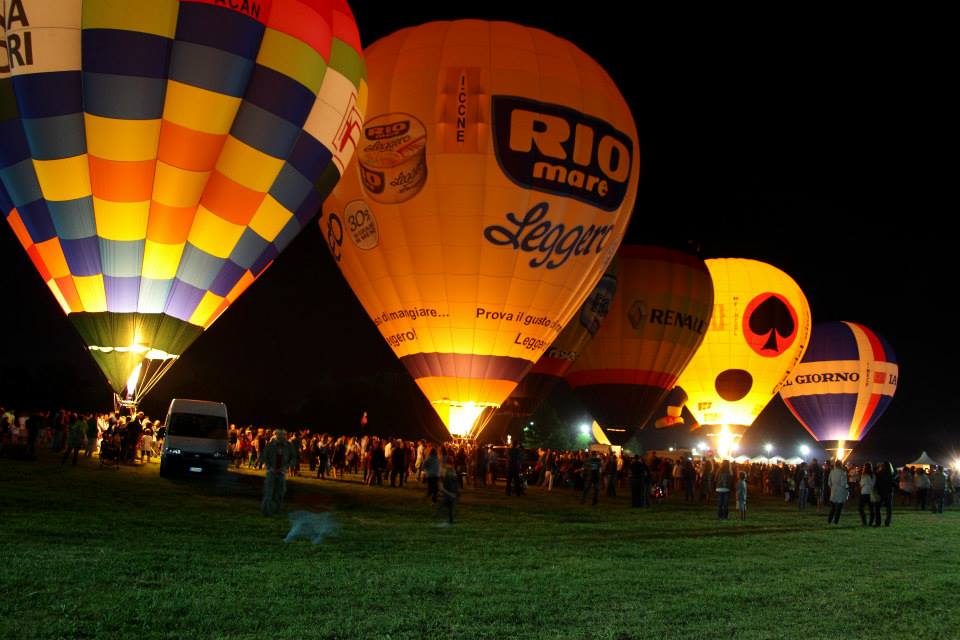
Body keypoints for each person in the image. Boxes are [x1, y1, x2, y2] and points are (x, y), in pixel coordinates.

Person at [261, 429, 296, 516]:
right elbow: (264, 457)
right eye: (279, 437)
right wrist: (269, 467)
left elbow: (294, 458)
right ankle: (267, 511)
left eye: (283, 437)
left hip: (281, 472)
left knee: (280, 492)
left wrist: (286, 467)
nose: (281, 439)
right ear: (276, 437)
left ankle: (277, 510)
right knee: (269, 492)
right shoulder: (270, 446)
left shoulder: (289, 446)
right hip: (271, 472)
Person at [437, 460, 460, 526]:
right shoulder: (452, 472)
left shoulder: (449, 473)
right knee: (449, 507)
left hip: (449, 494)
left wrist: (450, 493)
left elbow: (448, 485)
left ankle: (448, 520)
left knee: (445, 506)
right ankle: (449, 520)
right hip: (450, 493)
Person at [874, 461, 896, 526]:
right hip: (889, 492)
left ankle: (878, 522)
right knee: (889, 509)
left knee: (878, 507)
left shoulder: (879, 474)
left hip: (881, 492)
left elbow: (876, 483)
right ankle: (887, 522)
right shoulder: (891, 474)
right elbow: (894, 484)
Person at [827, 460, 848, 524]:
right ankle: (836, 521)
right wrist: (846, 487)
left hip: (833, 490)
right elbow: (843, 483)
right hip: (840, 491)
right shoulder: (842, 472)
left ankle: (829, 520)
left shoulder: (832, 472)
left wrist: (832, 487)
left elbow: (829, 483)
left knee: (833, 508)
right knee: (839, 508)